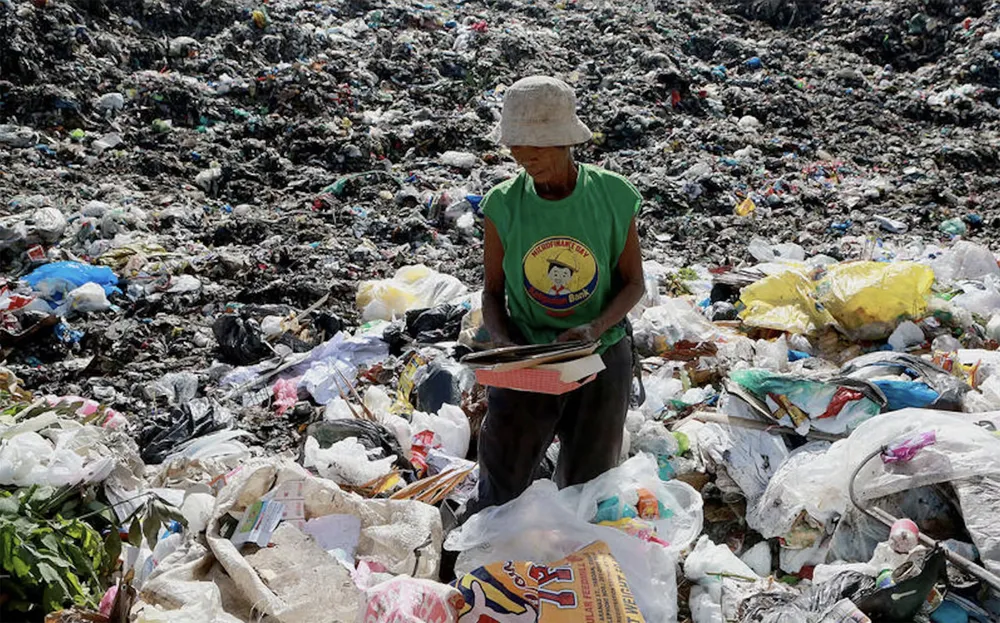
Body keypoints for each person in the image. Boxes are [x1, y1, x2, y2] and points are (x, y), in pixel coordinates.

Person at [470, 75, 646, 513]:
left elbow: (633, 283)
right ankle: (491, 557)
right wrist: (509, 347)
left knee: (589, 485)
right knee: (502, 481)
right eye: (518, 151)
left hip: (599, 354)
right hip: (530, 356)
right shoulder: (502, 205)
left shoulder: (612, 196)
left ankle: (575, 563)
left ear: (567, 143)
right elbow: (492, 294)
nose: (526, 160)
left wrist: (595, 327)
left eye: (537, 151)